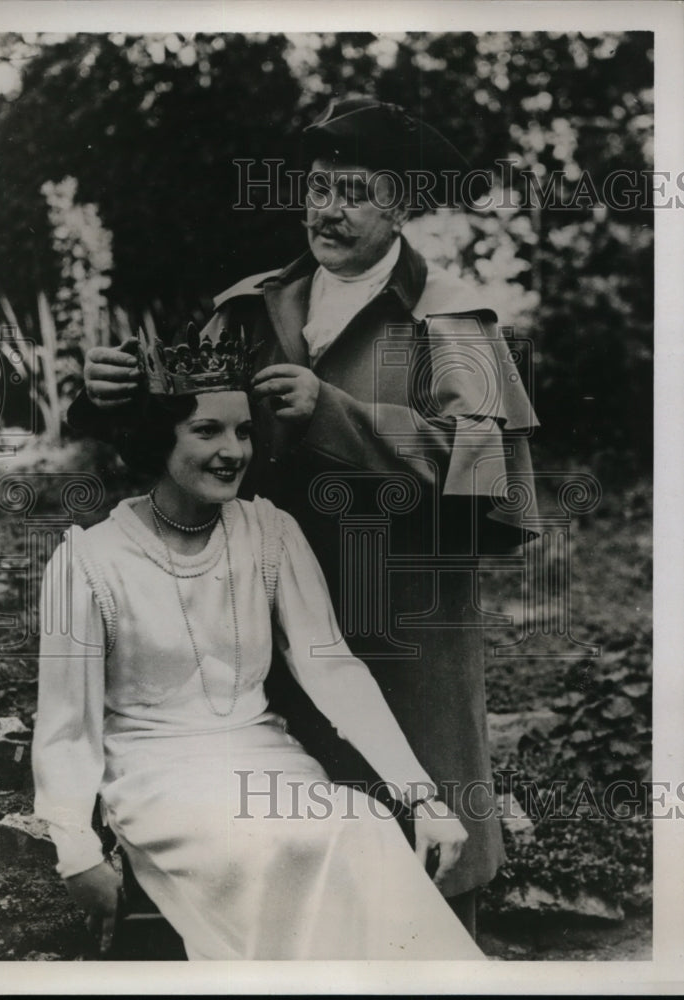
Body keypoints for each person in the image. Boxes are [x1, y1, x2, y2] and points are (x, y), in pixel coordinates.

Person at [69, 96, 539, 936]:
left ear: (400, 203)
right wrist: (107, 399)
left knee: (421, 822)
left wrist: (335, 414)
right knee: (283, 829)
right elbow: (182, 433)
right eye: (317, 186)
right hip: (258, 612)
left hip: (401, 614)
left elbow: (485, 472)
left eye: (353, 190)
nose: (326, 208)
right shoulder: (251, 307)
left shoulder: (452, 318)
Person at [32, 323, 484, 960]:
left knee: (362, 826)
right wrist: (75, 847)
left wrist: (421, 794)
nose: (233, 451)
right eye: (208, 430)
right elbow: (66, 726)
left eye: (244, 431)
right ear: (160, 438)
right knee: (261, 846)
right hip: (155, 771)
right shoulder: (89, 560)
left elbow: (333, 670)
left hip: (264, 754)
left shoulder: (269, 531)